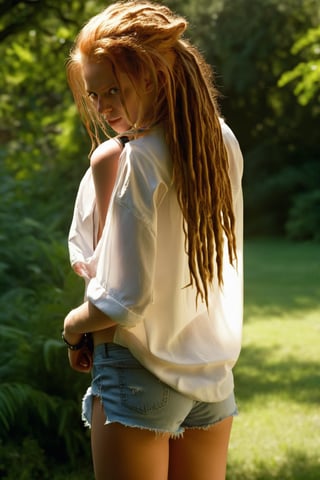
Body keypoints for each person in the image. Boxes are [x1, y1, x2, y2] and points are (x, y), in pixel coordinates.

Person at [62, 1, 244, 479]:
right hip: (210, 374)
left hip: (141, 369)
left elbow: (124, 299)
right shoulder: (219, 140)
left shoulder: (138, 159)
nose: (102, 107)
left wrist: (72, 325)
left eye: (113, 90)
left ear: (153, 77)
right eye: (94, 94)